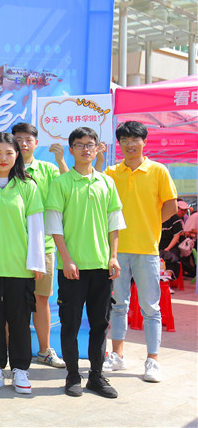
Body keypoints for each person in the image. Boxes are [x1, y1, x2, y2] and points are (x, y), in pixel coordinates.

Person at [45, 127, 125, 398]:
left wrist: (113, 256)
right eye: (79, 145)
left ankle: (96, 376)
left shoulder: (106, 182)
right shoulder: (61, 183)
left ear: (96, 148)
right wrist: (67, 259)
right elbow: (55, 225)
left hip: (101, 267)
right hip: (72, 269)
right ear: (71, 150)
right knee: (70, 324)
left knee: (100, 324)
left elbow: (114, 223)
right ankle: (72, 375)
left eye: (90, 144)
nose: (85, 149)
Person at [103, 121, 178, 383]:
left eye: (134, 139)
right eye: (124, 140)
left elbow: (171, 206)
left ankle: (153, 360)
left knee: (150, 308)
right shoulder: (111, 172)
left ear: (144, 142)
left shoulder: (158, 170)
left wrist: (151, 223)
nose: (129, 144)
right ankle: (117, 355)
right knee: (118, 305)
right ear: (119, 144)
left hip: (147, 249)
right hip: (117, 250)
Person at [0, 132, 45, 394]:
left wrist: (37, 262)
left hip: (20, 267)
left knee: (19, 320)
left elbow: (36, 226)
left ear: (17, 155)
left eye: (9, 153)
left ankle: (20, 369)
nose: (3, 158)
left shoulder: (28, 186)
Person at [11, 123, 67, 368]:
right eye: (18, 139)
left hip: (43, 245)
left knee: (41, 299)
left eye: (28, 139)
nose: (23, 144)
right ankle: (8, 351)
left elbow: (68, 187)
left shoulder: (48, 169)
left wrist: (61, 159)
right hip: (10, 246)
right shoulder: (5, 168)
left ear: (36, 143)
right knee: (11, 300)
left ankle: (44, 350)